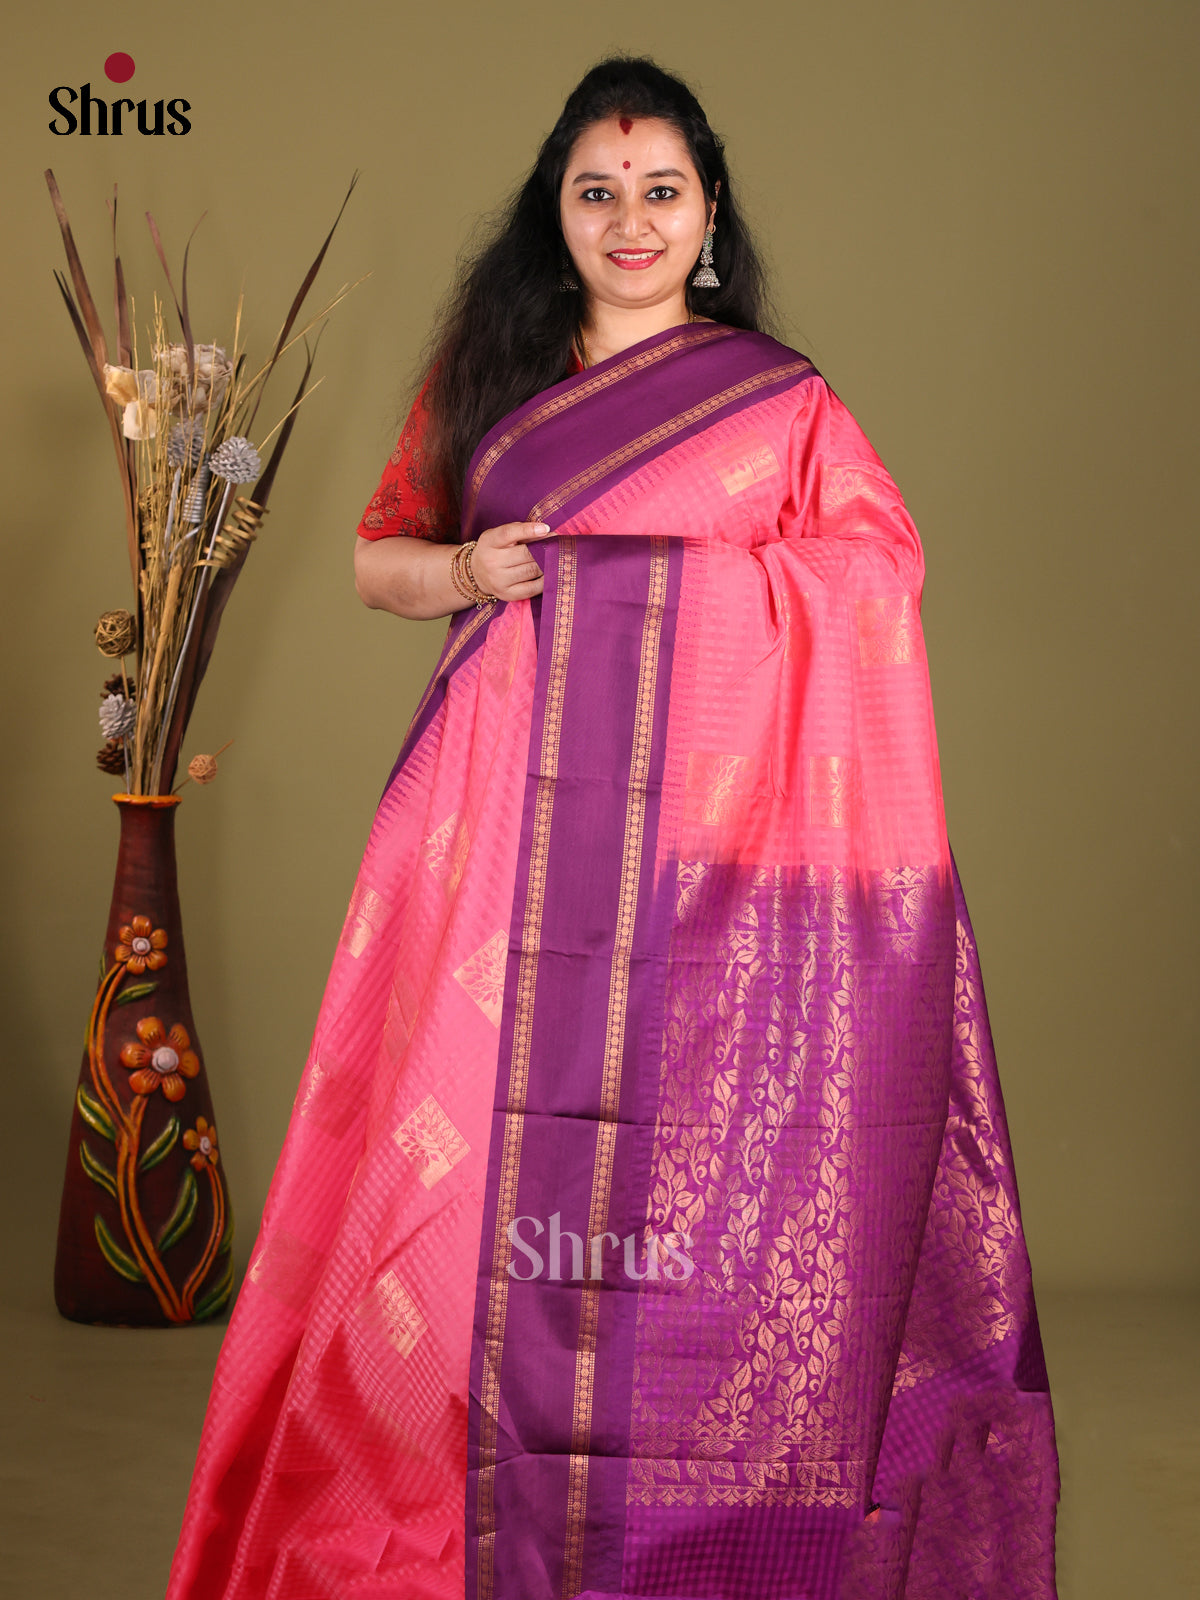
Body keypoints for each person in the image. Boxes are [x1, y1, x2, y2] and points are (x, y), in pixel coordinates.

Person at [167, 56, 1058, 1600]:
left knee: (684, 1192)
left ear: (708, 217)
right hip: (493, 833)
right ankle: (459, 1518)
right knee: (453, 1191)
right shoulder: (493, 377)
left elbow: (875, 574)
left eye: (661, 192)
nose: (630, 220)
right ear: (557, 214)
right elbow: (381, 558)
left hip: (705, 865)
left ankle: (658, 1522)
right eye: (598, 193)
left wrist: (654, 586)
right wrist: (475, 572)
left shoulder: (782, 403)